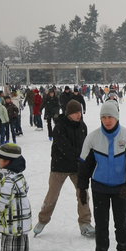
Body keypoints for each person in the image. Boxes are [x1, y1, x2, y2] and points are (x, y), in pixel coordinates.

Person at [78, 100, 126, 251]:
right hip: (99, 188)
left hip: (120, 189)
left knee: (121, 224)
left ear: (117, 117)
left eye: (110, 117)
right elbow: (84, 166)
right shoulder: (92, 138)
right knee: (101, 226)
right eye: (104, 117)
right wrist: (82, 188)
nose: (107, 120)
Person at [33, 99, 94, 237]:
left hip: (77, 167)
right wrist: (79, 158)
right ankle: (42, 220)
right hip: (59, 167)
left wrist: (86, 161)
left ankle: (85, 223)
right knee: (52, 196)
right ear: (68, 114)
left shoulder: (82, 126)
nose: (78, 115)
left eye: (79, 112)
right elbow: (64, 148)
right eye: (75, 113)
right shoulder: (59, 127)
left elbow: (85, 146)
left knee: (83, 195)